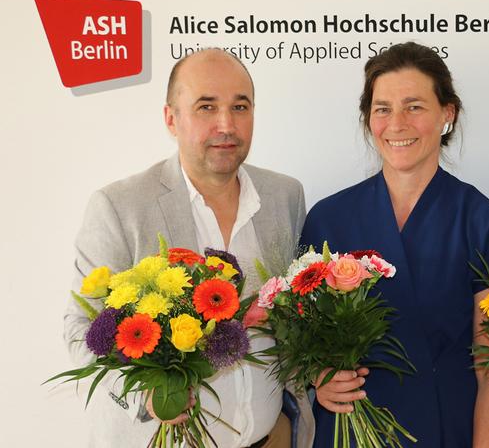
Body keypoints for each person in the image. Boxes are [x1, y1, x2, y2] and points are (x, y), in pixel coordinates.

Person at [64, 48, 314, 448]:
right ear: (171, 118)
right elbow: (81, 330)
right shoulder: (120, 206)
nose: (226, 124)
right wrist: (144, 396)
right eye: (206, 106)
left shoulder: (285, 195)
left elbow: (298, 315)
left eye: (240, 106)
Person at [300, 42, 489, 447]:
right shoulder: (328, 219)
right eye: (383, 108)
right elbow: (303, 342)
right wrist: (319, 378)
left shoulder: (484, 225)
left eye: (414, 106)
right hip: (347, 434)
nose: (397, 123)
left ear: (447, 114)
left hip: (444, 431)